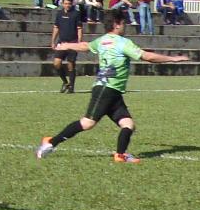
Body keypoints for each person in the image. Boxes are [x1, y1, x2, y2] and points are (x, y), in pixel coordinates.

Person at [35, 9, 191, 163]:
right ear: (117, 24)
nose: (125, 26)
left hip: (113, 91)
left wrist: (67, 45)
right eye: (123, 23)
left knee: (128, 124)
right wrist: (173, 59)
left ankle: (120, 155)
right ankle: (51, 142)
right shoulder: (123, 43)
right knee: (88, 123)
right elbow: (147, 56)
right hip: (106, 89)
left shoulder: (102, 40)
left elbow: (85, 46)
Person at [49, 0, 84, 93]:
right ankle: (65, 82)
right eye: (65, 3)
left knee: (70, 64)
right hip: (62, 43)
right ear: (62, 4)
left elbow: (79, 28)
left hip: (73, 43)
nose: (67, 5)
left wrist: (79, 42)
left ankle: (71, 86)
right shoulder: (59, 14)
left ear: (72, 4)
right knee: (56, 63)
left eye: (69, 3)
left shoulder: (76, 14)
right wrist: (53, 41)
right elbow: (56, 27)